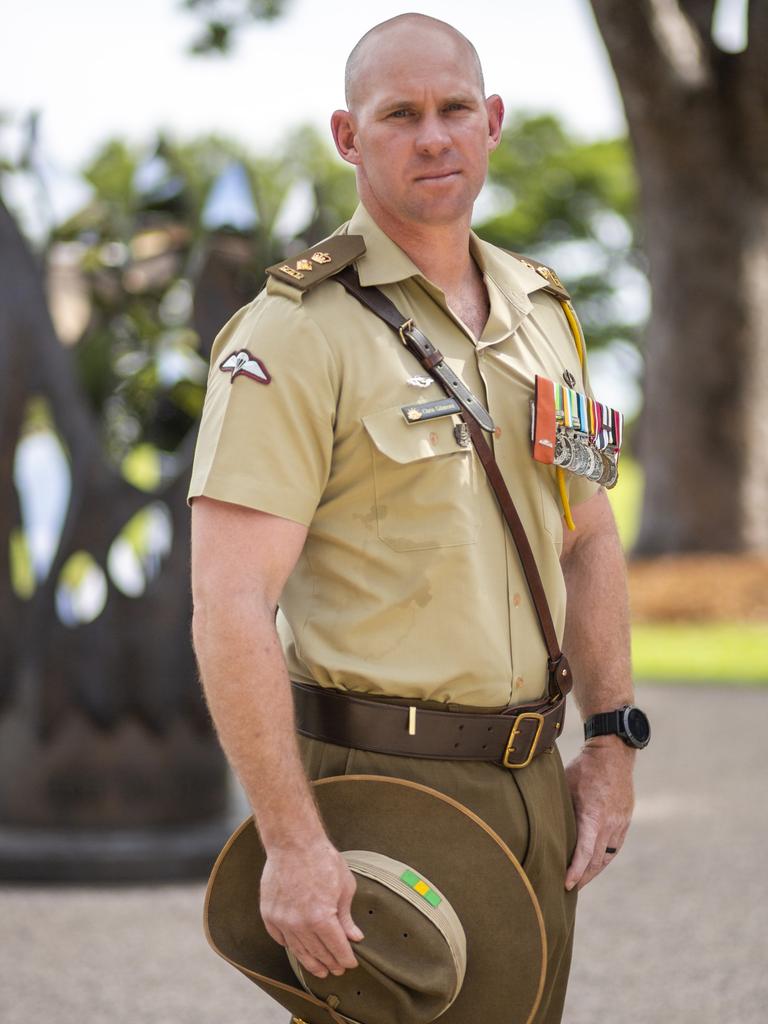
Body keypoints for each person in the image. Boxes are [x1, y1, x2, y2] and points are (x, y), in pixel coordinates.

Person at [188, 13, 645, 1024]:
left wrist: (611, 740)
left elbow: (589, 534)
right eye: (399, 115)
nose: (432, 137)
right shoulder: (292, 336)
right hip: (378, 784)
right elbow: (229, 600)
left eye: (452, 111)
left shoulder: (545, 313)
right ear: (350, 138)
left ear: (491, 123)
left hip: (533, 786)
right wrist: (293, 840)